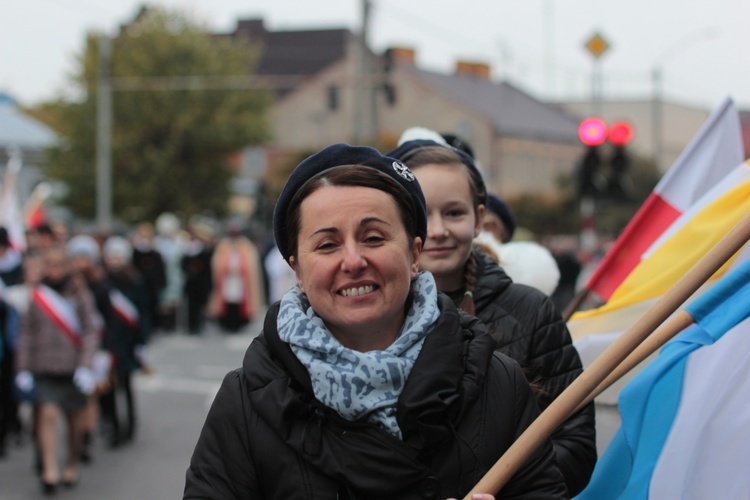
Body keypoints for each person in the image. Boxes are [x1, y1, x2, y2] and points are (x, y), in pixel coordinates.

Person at [184, 144, 566, 499]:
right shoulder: (247, 400)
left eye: (373, 237)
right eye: (327, 245)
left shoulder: (499, 382)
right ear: (297, 269)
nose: (353, 261)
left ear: (414, 254)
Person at [387, 136, 596, 496]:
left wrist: (503, 486)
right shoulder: (370, 312)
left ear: (480, 217)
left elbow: (574, 442)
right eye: (422, 213)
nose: (437, 230)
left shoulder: (531, 311)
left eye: (454, 212)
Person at [14, 246, 100, 494]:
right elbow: (26, 334)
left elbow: (90, 332)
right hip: (45, 367)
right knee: (47, 415)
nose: (54, 270)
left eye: (59, 265)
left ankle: (71, 463)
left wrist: (85, 366)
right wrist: (23, 368)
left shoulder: (80, 294)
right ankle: (50, 471)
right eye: (50, 265)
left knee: (75, 423)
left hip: (73, 370)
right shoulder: (37, 295)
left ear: (67, 267)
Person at [102, 236, 151, 445]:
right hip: (109, 342)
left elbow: (142, 312)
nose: (114, 261)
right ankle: (114, 426)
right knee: (109, 387)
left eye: (118, 256)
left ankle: (130, 424)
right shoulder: (102, 282)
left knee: (127, 385)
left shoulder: (135, 281)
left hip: (128, 342)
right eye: (111, 256)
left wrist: (141, 341)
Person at [208, 221, 264, 333]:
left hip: (240, 280)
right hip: (227, 279)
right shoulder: (223, 245)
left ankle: (239, 323)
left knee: (239, 300)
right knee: (227, 300)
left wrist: (242, 268)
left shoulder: (246, 245)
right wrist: (224, 268)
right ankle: (226, 322)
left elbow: (251, 262)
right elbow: (217, 261)